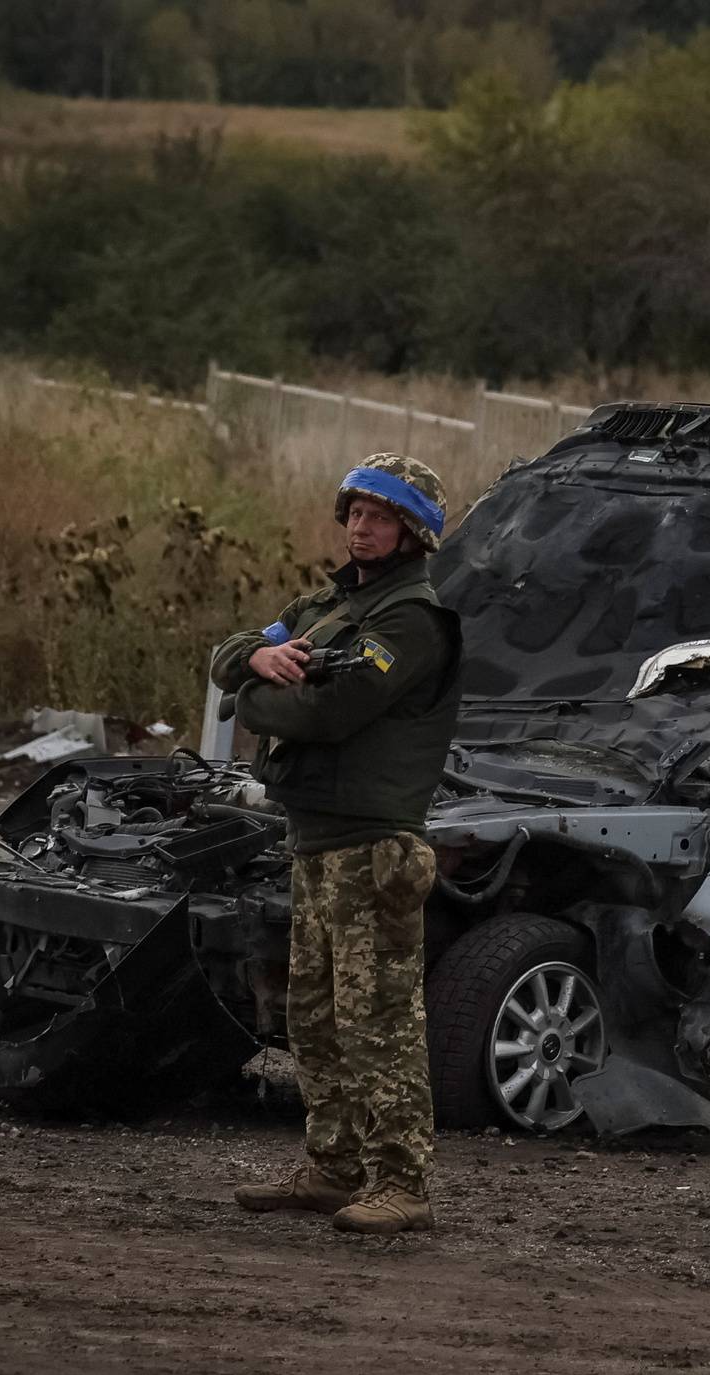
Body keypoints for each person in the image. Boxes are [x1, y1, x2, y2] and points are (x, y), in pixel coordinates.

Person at [215, 453, 463, 1235]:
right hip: (315, 836)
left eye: (380, 517)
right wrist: (255, 659)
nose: (362, 527)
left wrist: (253, 699)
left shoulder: (410, 619)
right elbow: (233, 650)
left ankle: (403, 1181)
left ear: (411, 533)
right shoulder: (327, 601)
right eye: (355, 512)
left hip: (373, 846)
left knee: (378, 1019)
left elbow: (331, 714)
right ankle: (333, 1167)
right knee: (314, 1015)